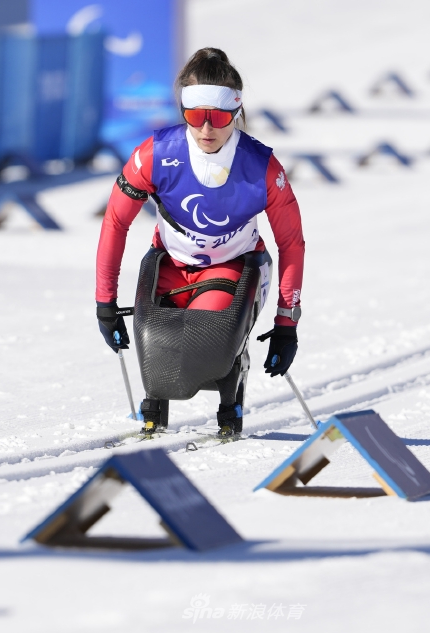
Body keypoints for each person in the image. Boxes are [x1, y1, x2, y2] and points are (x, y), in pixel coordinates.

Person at [95, 47, 304, 436]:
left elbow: (292, 243)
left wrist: (286, 323)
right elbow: (114, 223)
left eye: (220, 117)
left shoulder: (262, 167)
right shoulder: (154, 155)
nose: (207, 130)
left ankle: (230, 385)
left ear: (237, 112)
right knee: (155, 342)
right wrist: (104, 303)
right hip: (171, 265)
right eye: (196, 117)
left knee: (205, 344)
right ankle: (155, 402)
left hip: (233, 267)